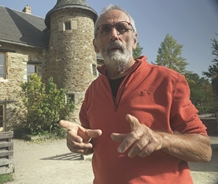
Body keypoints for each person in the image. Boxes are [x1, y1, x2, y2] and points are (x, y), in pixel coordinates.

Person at [59, 4, 212, 184]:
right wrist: (79, 142)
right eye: (105, 30)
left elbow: (204, 150)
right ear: (95, 45)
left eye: (122, 28)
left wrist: (161, 139)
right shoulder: (92, 91)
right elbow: (91, 142)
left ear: (134, 40)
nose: (114, 35)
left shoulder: (168, 80)